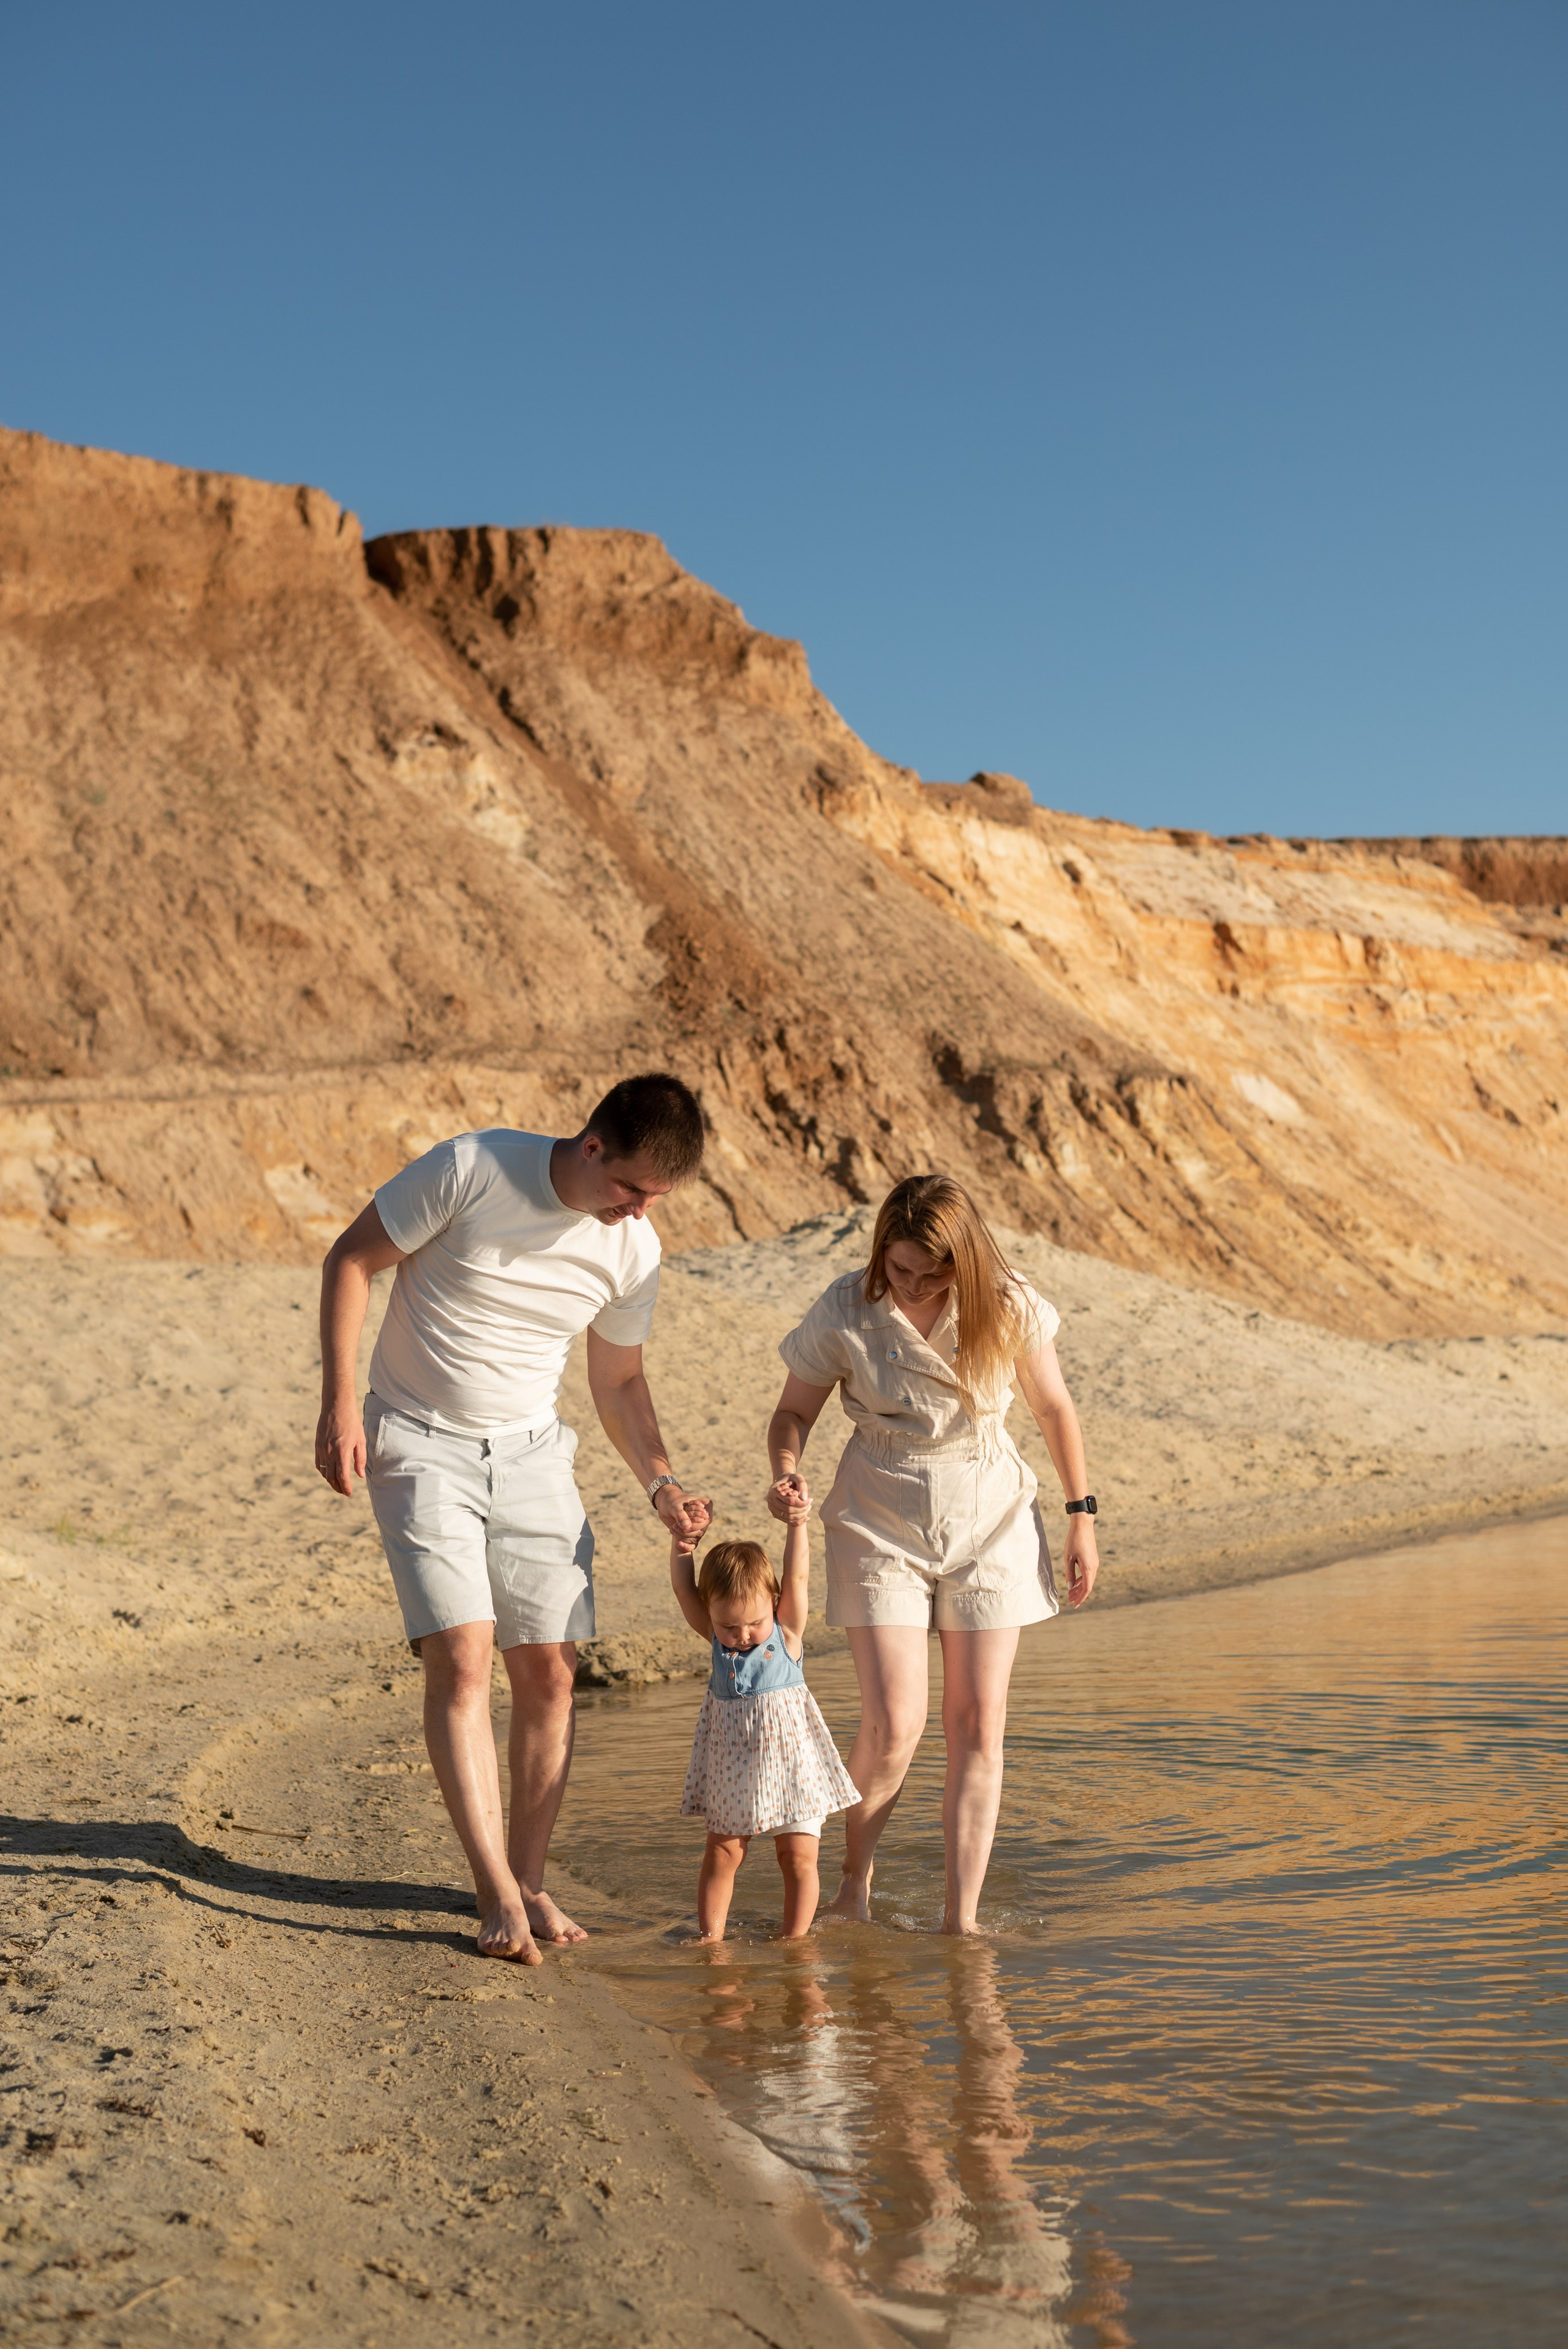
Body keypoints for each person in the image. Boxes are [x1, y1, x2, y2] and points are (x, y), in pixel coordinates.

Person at [314, 1071, 711, 1965]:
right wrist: (340, 1402)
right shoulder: (474, 1167)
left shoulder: (632, 1250)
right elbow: (352, 1259)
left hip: (534, 1453)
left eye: (656, 1197)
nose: (640, 1209)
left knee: (552, 1672)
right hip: (417, 1439)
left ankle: (528, 1876)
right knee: (461, 1656)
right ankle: (493, 1887)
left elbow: (617, 1381)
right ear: (593, 1143)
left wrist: (661, 1482)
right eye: (632, 1187)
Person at [765, 1174, 1098, 1936]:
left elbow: (1052, 1406)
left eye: (931, 1273)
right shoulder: (847, 1304)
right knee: (894, 1722)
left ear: (966, 1263)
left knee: (978, 1723)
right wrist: (786, 1472)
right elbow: (791, 1411)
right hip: (877, 1512)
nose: (911, 1284)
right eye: (899, 1266)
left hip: (989, 1512)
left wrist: (1082, 1516)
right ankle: (852, 1881)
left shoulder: (1008, 1302)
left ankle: (962, 1919)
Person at [669, 1515, 860, 1942]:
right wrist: (682, 1548)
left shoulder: (785, 1632)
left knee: (798, 1857)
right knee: (722, 1852)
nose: (742, 1635)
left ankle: (795, 1942)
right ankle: (711, 1937)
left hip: (793, 1767)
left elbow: (798, 1574)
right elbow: (684, 1589)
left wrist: (798, 1524)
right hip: (733, 1767)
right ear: (712, 1615)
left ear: (774, 1602)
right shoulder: (717, 1640)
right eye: (728, 1626)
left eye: (754, 1622)